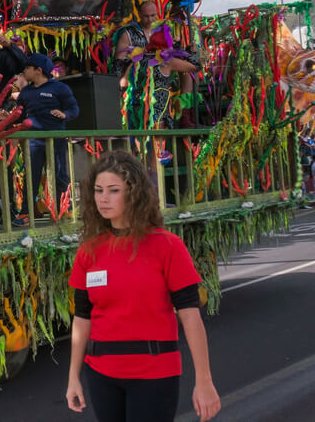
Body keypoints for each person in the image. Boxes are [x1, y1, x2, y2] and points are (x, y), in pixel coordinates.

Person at [66, 150, 219, 421]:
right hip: (101, 373)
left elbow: (191, 316)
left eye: (113, 190)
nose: (103, 198)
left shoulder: (167, 246)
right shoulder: (89, 251)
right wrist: (73, 378)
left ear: (134, 193)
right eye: (98, 190)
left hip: (155, 373)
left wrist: (204, 381)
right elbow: (82, 317)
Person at [11, 52, 80, 225]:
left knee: (60, 175)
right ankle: (25, 213)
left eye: (27, 68)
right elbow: (19, 116)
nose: (24, 71)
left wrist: (65, 114)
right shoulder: (25, 92)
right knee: (30, 177)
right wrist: (7, 117)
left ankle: (64, 210)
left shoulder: (60, 88)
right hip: (33, 142)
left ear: (38, 70)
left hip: (55, 139)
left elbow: (74, 109)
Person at [112, 0, 158, 74]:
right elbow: (119, 60)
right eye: (146, 16)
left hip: (159, 76)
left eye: (153, 15)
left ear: (157, 13)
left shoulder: (162, 30)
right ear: (139, 14)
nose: (150, 20)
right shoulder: (129, 32)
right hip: (135, 77)